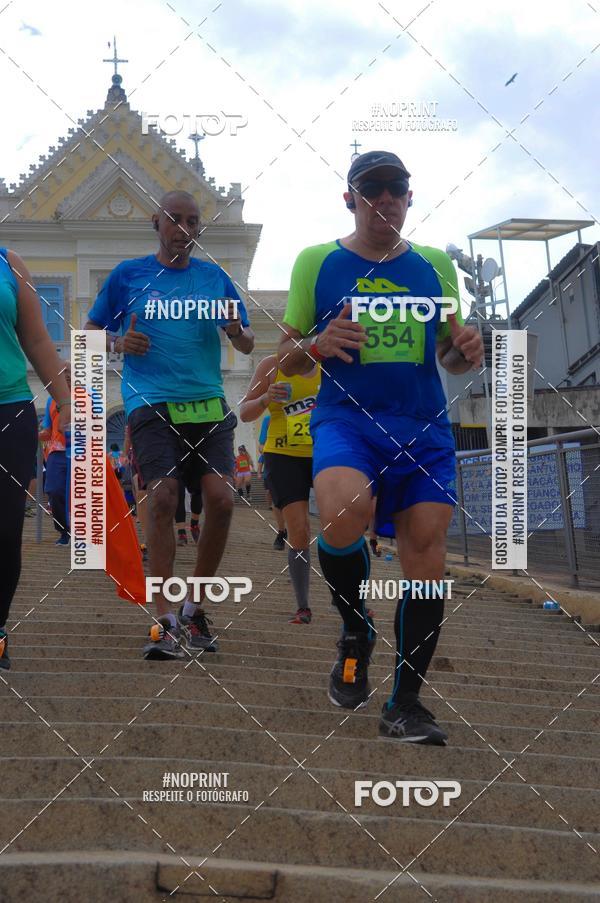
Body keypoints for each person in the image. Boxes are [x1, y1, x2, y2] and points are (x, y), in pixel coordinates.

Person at [277, 150, 483, 744]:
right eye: (372, 189)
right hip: (348, 419)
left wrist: (464, 350)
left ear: (410, 199)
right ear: (351, 199)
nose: (385, 198)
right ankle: (356, 629)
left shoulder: (435, 265)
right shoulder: (317, 261)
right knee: (342, 510)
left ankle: (405, 705)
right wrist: (318, 343)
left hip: (422, 425)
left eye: (396, 188)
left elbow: (445, 354)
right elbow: (283, 359)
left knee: (426, 552)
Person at [85, 190, 254, 659]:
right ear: (156, 222)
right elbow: (89, 334)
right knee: (162, 498)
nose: (184, 229)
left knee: (222, 499)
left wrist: (235, 329)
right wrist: (119, 343)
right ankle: (164, 617)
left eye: (193, 221)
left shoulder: (214, 278)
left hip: (207, 402)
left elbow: (245, 342)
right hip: (150, 401)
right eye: (174, 219)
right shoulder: (128, 275)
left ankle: (194, 609)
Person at [0, 248, 71, 669]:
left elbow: (38, 340)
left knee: (6, 530)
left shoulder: (9, 263)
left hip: (9, 409)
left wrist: (68, 403)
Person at [240, 355, 320, 623]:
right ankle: (303, 606)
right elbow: (245, 412)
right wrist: (266, 398)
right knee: (300, 529)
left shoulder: (330, 362)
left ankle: (346, 598)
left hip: (325, 452)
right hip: (284, 456)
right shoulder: (271, 365)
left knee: (340, 527)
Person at [39, 362, 71, 545]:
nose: (66, 375)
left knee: (82, 493)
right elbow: (47, 430)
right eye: (63, 372)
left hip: (82, 452)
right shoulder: (51, 401)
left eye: (69, 371)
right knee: (54, 490)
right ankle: (64, 531)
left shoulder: (87, 397)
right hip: (57, 452)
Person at [258, 413, 287, 548]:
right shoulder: (268, 419)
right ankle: (281, 531)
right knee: (276, 501)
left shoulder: (301, 412)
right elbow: (261, 446)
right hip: (275, 462)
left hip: (298, 461)